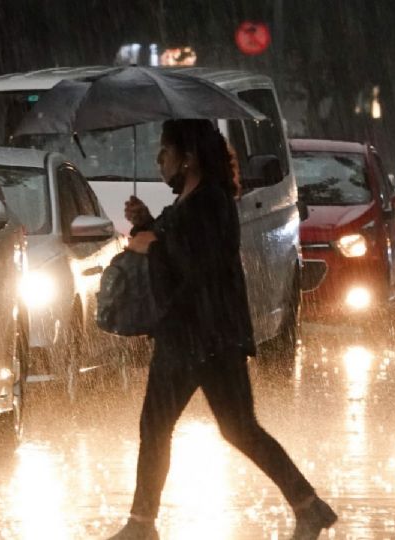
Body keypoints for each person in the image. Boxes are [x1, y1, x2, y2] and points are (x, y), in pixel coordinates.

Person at [107, 119, 336, 540]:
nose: (159, 160)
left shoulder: (211, 202)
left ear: (188, 157)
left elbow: (196, 265)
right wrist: (146, 225)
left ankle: (142, 524)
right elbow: (175, 246)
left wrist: (152, 245)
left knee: (176, 425)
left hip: (201, 335)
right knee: (228, 427)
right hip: (201, 335)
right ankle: (308, 504)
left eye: (166, 151)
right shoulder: (191, 200)